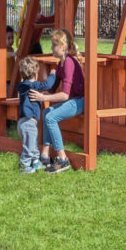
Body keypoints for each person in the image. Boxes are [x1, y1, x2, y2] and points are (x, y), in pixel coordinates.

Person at [28, 29, 85, 174]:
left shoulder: (69, 63)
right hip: (73, 100)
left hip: (80, 101)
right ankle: (45, 156)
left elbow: (64, 95)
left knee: (50, 117)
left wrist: (43, 98)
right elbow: (52, 89)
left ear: (64, 46)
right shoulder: (61, 64)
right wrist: (37, 92)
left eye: (54, 45)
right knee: (46, 112)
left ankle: (62, 159)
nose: (51, 47)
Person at [15, 56, 57, 174]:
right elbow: (47, 85)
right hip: (29, 123)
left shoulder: (22, 86)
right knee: (29, 147)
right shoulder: (33, 85)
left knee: (33, 144)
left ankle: (35, 162)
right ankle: (24, 166)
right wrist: (53, 73)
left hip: (23, 122)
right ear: (36, 75)